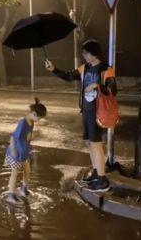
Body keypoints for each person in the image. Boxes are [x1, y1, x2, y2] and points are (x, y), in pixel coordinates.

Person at [45, 39, 117, 192]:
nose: (84, 55)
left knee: (96, 143)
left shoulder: (106, 69)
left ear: (94, 53)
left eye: (86, 53)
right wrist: (54, 69)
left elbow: (113, 90)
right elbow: (69, 76)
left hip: (98, 111)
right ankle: (96, 173)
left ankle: (102, 180)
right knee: (89, 143)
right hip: (86, 110)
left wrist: (97, 85)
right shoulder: (85, 68)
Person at [4, 97, 47, 204]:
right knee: (14, 173)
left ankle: (23, 189)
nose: (39, 120)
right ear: (34, 113)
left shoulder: (31, 122)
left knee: (27, 170)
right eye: (39, 118)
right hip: (16, 152)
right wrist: (14, 152)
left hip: (24, 152)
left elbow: (26, 137)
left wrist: (32, 139)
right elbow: (13, 138)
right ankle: (10, 195)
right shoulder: (23, 123)